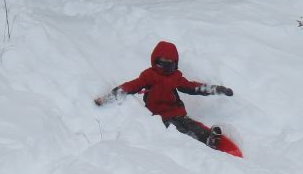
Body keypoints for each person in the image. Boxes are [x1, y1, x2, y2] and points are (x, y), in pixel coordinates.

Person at [95, 40, 233, 148]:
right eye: (163, 63)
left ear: (175, 64)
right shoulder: (149, 76)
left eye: (171, 64)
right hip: (159, 117)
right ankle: (194, 144)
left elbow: (192, 87)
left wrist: (216, 89)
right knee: (180, 131)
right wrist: (113, 95)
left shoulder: (176, 77)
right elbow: (132, 85)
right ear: (156, 61)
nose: (167, 68)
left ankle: (209, 139)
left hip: (177, 112)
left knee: (192, 125)